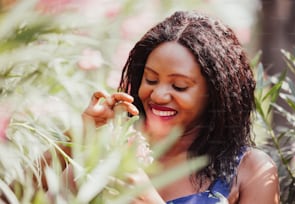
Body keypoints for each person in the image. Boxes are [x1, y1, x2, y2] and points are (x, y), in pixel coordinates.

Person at [82, 10, 280, 204]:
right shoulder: (117, 146)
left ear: (215, 93)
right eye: (150, 79)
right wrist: (80, 135)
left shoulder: (251, 170)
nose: (158, 95)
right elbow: (52, 192)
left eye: (179, 86)